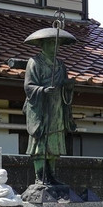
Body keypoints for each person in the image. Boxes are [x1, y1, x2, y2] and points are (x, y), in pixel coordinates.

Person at [23, 25, 75, 185]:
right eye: (52, 43)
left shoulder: (61, 65)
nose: (55, 47)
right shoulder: (35, 62)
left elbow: (65, 86)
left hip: (57, 107)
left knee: (54, 143)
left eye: (57, 44)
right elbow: (28, 86)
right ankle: (40, 175)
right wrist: (43, 90)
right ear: (43, 44)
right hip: (41, 108)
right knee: (40, 144)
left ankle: (51, 175)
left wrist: (68, 86)